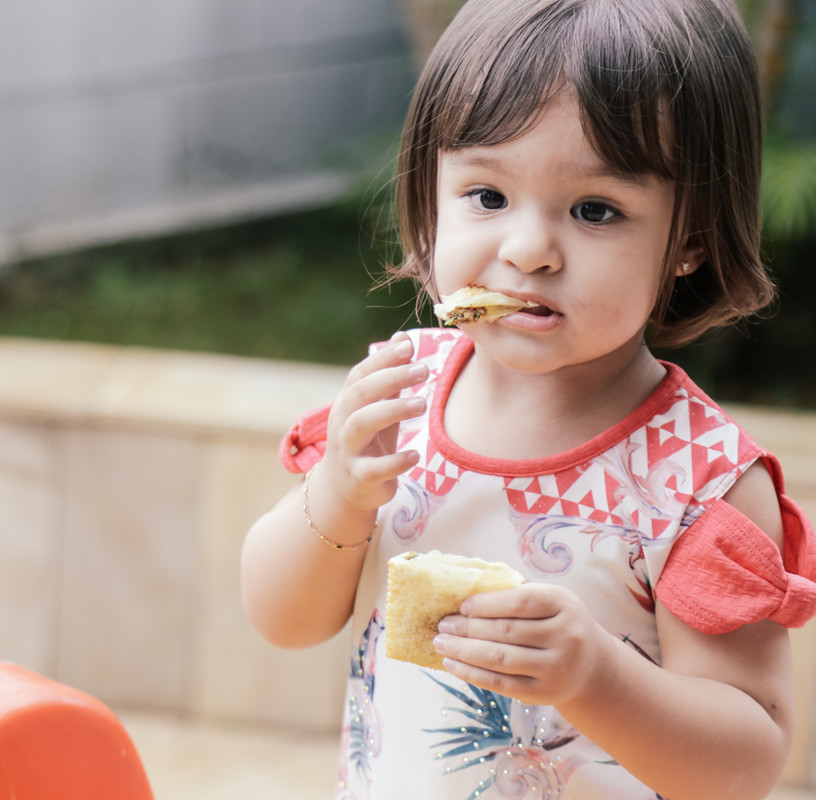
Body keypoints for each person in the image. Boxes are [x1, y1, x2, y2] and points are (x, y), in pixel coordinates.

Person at [240, 1, 816, 798]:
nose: (528, 249)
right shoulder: (400, 396)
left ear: (690, 241)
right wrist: (335, 497)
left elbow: (746, 766)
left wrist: (597, 674)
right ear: (428, 194)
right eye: (486, 195)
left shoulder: (697, 481)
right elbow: (282, 618)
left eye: (595, 210)